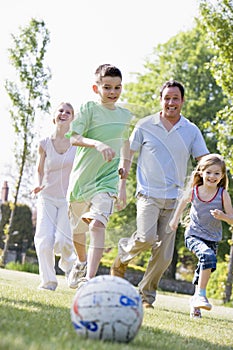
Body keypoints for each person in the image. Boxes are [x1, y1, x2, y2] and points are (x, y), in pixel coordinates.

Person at [110, 80, 209, 309]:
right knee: (145, 238)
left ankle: (146, 297)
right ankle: (121, 260)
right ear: (161, 99)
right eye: (167, 98)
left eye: (175, 98)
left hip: (175, 199)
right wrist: (122, 181)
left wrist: (212, 173)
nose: (171, 102)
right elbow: (128, 152)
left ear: (182, 101)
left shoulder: (191, 130)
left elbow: (203, 159)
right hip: (148, 194)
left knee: (164, 256)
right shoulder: (145, 125)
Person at [66, 64, 132, 289]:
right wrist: (97, 144)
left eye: (117, 87)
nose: (113, 92)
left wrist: (123, 181)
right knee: (78, 233)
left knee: (97, 225)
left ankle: (89, 279)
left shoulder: (125, 115)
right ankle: (81, 262)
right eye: (107, 87)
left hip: (107, 181)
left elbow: (125, 145)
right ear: (96, 88)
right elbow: (72, 137)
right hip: (82, 181)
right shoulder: (88, 109)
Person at [169, 154, 233, 318]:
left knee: (206, 265)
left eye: (217, 173)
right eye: (209, 172)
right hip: (194, 235)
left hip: (212, 237)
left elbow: (232, 219)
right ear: (201, 173)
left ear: (222, 176)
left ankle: (195, 304)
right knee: (206, 256)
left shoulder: (222, 194)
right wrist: (175, 221)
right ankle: (201, 295)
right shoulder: (195, 191)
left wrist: (223, 216)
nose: (212, 176)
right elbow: (182, 203)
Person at [33, 102, 77, 291]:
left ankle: (69, 267)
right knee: (44, 240)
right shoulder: (44, 143)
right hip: (47, 197)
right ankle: (48, 282)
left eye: (68, 112)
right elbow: (39, 169)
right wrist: (38, 183)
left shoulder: (76, 143)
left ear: (72, 118)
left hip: (67, 200)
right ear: (54, 116)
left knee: (64, 241)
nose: (64, 114)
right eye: (60, 110)